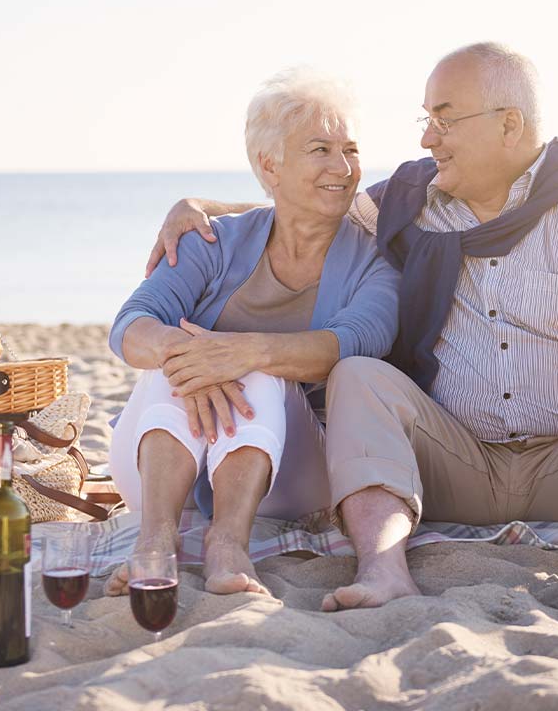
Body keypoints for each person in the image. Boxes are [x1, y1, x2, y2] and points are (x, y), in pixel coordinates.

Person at [144, 42, 558, 635]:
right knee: (359, 373)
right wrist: (199, 206)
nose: (427, 139)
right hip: (453, 465)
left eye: (444, 120)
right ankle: (383, 567)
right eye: (427, 121)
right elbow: (308, 203)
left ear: (509, 125)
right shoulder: (413, 201)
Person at [105, 68, 399, 599]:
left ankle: (228, 544)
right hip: (158, 470)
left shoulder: (374, 260)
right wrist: (190, 354)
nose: (343, 167)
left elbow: (359, 341)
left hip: (288, 476)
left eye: (350, 149)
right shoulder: (212, 241)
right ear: (270, 164)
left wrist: (240, 353)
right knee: (175, 354)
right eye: (320, 149)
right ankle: (155, 538)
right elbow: (131, 325)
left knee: (259, 370)